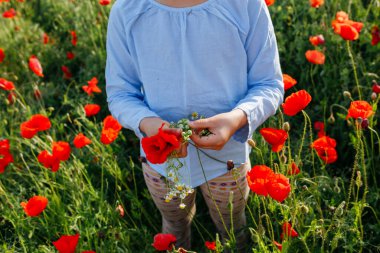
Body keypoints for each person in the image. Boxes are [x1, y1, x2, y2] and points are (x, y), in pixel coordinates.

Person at [105, 0, 284, 251]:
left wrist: (236, 119)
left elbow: (268, 84)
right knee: (174, 223)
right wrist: (148, 123)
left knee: (232, 225)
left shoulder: (244, 5)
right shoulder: (128, 11)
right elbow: (120, 93)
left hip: (227, 159)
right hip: (162, 160)